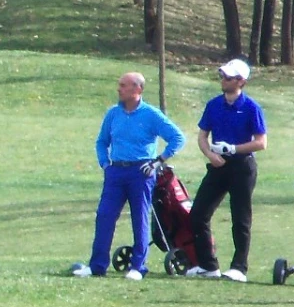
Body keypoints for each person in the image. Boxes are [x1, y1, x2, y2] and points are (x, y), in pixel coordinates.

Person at [74, 72, 185, 280]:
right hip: (115, 171)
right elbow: (101, 141)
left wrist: (159, 161)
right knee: (104, 216)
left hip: (141, 172)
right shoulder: (113, 114)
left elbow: (177, 138)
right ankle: (97, 265)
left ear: (137, 89)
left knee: (139, 217)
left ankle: (138, 267)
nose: (119, 89)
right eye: (120, 85)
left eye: (124, 86)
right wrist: (105, 164)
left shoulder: (151, 114)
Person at [183, 58, 267, 282]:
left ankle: (239, 268)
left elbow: (261, 142)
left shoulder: (251, 108)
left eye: (228, 78)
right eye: (222, 76)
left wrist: (233, 148)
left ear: (241, 82)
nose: (223, 80)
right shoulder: (213, 104)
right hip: (218, 165)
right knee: (198, 214)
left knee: (240, 217)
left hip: (243, 166)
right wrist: (211, 155)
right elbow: (202, 135)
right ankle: (208, 265)